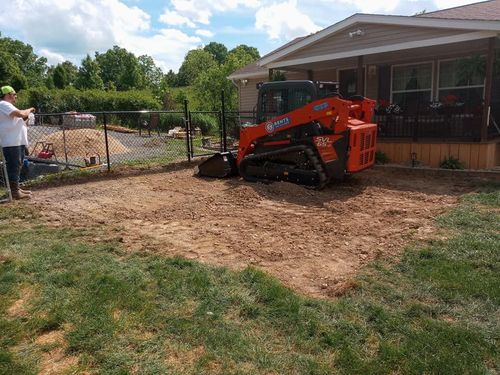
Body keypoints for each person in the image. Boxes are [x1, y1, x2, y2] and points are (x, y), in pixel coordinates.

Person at [0, 85, 35, 199]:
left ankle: (16, 189)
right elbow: (21, 114)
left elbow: (18, 118)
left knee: (17, 164)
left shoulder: (7, 106)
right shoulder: (3, 104)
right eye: (14, 94)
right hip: (11, 141)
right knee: (14, 165)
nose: (16, 96)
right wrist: (30, 109)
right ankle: (14, 192)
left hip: (16, 140)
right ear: (8, 94)